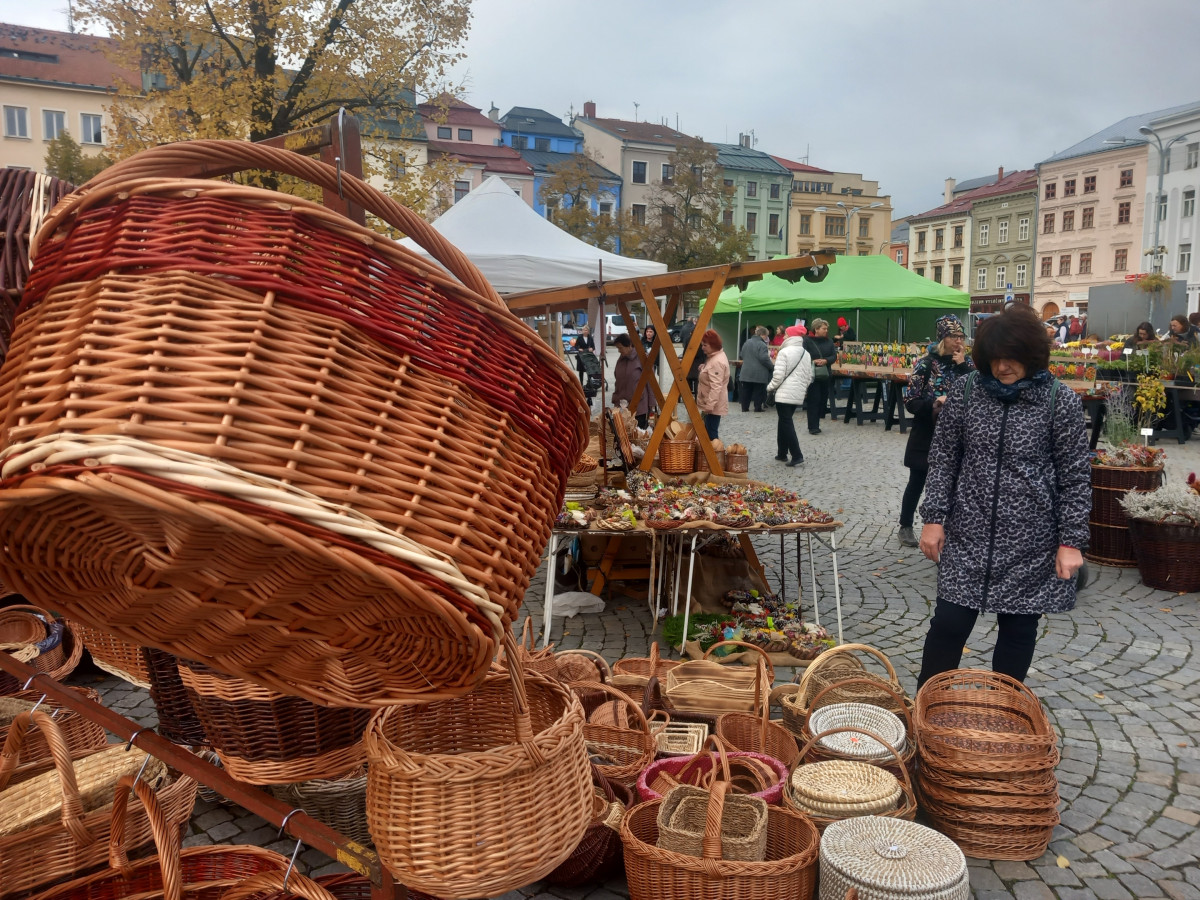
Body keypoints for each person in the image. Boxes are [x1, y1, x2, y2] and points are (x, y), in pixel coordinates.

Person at [916, 304, 1090, 688]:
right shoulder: (966, 392)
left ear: (1032, 356)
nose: (1002, 368)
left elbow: (1075, 477)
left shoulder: (1059, 401)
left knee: (1018, 629)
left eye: (1011, 359)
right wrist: (933, 518)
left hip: (1032, 541)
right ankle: (925, 710)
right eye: (994, 359)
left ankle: (1005, 711)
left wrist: (1071, 542)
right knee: (948, 624)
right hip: (968, 532)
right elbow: (944, 458)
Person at [898, 315, 975, 548]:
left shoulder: (968, 365)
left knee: (956, 483)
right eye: (954, 336)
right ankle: (906, 525)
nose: (958, 341)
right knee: (917, 480)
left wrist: (963, 365)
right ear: (943, 338)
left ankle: (951, 528)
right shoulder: (925, 363)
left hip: (959, 434)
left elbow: (978, 390)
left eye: (961, 336)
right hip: (927, 432)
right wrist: (934, 404)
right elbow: (910, 400)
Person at [767, 324, 813, 467]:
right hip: (797, 392)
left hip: (784, 393)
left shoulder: (784, 352)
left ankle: (797, 454)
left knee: (786, 422)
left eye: (786, 334)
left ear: (791, 337)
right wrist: (802, 389)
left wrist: (769, 387)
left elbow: (778, 376)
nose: (784, 337)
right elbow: (809, 376)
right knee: (784, 421)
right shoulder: (806, 353)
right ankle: (782, 453)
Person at [802, 318, 837, 435]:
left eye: (827, 328)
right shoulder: (807, 341)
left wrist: (826, 360)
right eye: (824, 328)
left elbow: (834, 356)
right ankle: (813, 426)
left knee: (823, 399)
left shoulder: (829, 341)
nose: (826, 331)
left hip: (826, 374)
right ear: (816, 329)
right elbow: (803, 355)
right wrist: (813, 361)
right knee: (813, 400)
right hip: (813, 375)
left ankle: (818, 420)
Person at [611, 334, 651, 429]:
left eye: (620, 348)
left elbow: (650, 383)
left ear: (629, 345)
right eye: (617, 348)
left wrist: (651, 404)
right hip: (622, 406)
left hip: (639, 406)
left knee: (637, 435)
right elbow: (618, 381)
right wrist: (615, 398)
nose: (619, 351)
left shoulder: (641, 358)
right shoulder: (620, 360)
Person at [696, 329, 730, 440]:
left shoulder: (717, 361)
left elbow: (716, 386)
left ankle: (714, 456)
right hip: (711, 404)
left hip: (713, 406)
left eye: (705, 345)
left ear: (713, 345)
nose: (702, 348)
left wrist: (709, 406)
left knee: (711, 434)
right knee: (709, 432)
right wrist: (704, 368)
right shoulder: (714, 357)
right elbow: (712, 373)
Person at [738, 326, 774, 412]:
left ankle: (744, 408)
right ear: (762, 335)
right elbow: (764, 358)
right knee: (759, 390)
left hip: (746, 371)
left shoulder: (747, 342)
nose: (766, 337)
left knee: (746, 390)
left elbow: (742, 354)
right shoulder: (762, 345)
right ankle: (757, 408)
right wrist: (771, 366)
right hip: (759, 373)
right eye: (766, 335)